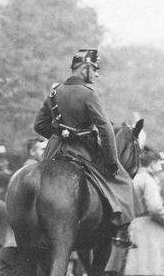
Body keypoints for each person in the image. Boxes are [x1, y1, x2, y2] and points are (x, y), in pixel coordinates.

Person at [33, 48, 137, 247]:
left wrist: (61, 135)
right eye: (94, 69)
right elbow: (105, 129)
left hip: (53, 152)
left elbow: (39, 126)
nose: (96, 74)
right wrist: (112, 162)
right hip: (81, 152)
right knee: (124, 180)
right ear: (84, 69)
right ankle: (121, 231)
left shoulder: (54, 92)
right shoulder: (89, 94)